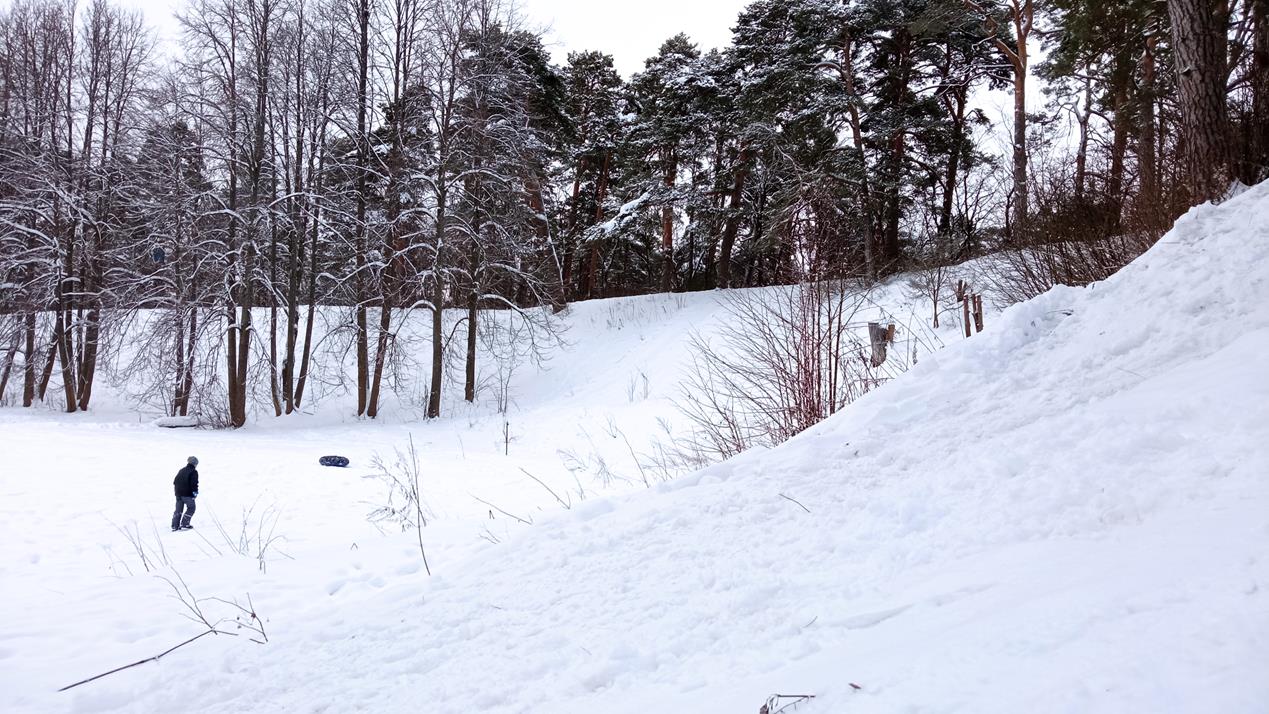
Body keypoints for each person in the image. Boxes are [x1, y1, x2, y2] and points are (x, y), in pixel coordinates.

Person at [171, 456, 199, 531]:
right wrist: (195, 492)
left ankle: (174, 525)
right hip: (187, 494)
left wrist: (178, 491)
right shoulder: (193, 472)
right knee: (191, 507)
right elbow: (194, 483)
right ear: (194, 464)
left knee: (178, 510)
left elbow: (175, 482)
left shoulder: (181, 470)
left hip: (178, 494)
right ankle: (185, 523)